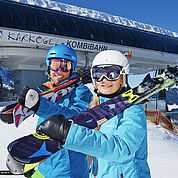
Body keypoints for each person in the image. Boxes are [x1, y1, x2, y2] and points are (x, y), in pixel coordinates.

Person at [37, 50, 151, 178]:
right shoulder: (96, 107)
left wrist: (69, 133)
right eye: (98, 74)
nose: (103, 80)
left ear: (123, 76)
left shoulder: (132, 110)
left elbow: (122, 149)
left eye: (111, 74)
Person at [17, 44, 93, 177]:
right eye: (54, 65)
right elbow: (42, 132)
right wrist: (33, 160)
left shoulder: (81, 91)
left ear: (72, 68)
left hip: (69, 169)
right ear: (48, 66)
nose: (58, 70)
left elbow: (75, 117)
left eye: (64, 66)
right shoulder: (47, 93)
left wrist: (40, 105)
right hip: (46, 166)